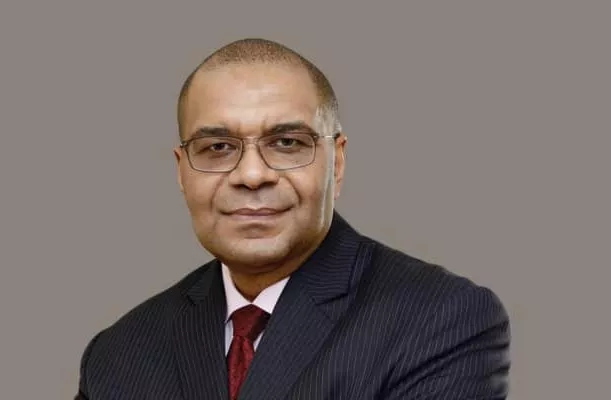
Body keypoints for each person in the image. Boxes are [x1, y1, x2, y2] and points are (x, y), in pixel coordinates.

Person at [74, 38, 511, 400]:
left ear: (336, 162)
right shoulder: (118, 354)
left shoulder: (442, 320)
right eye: (217, 148)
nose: (251, 175)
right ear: (182, 172)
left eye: (286, 143)